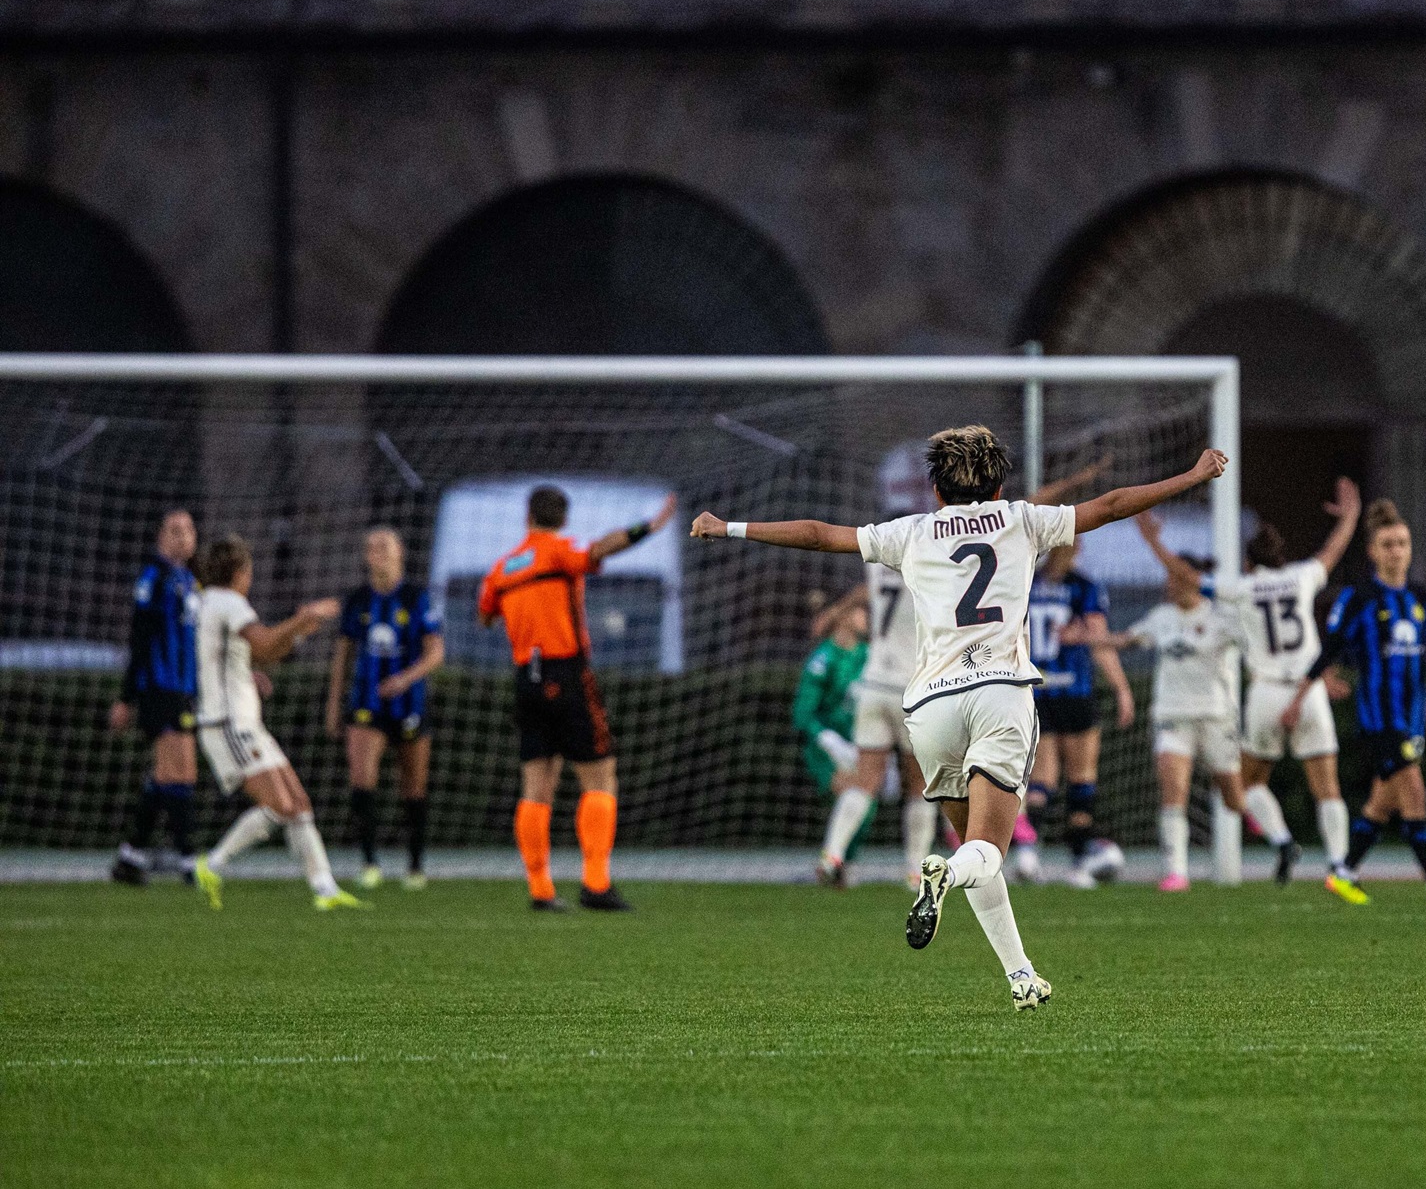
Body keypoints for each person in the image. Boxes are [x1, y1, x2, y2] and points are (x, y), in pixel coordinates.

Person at [690, 426, 1227, 1011]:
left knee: (975, 841)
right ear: (999, 484)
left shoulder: (913, 531)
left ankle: (1021, 976)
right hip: (1000, 693)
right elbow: (1112, 504)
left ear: (936, 491)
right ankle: (943, 872)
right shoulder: (1023, 519)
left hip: (931, 704)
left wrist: (729, 527)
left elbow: (819, 534)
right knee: (985, 850)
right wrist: (1193, 476)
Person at [812, 461, 1102, 891]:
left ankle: (832, 855)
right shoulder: (929, 560)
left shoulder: (877, 565)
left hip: (873, 683)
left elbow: (844, 591)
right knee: (922, 785)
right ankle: (916, 870)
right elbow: (1025, 513)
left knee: (865, 779)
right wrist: (1074, 484)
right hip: (917, 687)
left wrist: (829, 616)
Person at [478, 485, 677, 912]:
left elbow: (484, 614)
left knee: (536, 785)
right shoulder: (559, 551)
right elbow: (600, 550)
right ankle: (596, 884)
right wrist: (651, 526)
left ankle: (541, 890)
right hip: (564, 672)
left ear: (527, 516)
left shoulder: (502, 567)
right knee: (601, 777)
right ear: (563, 518)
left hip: (524, 678)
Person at [1312, 500, 1426, 905]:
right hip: (1379, 719)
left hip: (1411, 717)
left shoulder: (1424, 600)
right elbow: (1331, 647)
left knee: (1383, 799)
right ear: (1373, 551)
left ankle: (1344, 872)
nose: (1396, 550)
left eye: (1402, 543)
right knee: (1413, 789)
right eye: (1388, 544)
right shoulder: (1359, 599)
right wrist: (1311, 685)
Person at [187, 535, 359, 911]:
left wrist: (295, 635)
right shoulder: (228, 602)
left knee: (298, 803)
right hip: (228, 723)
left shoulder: (213, 603)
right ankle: (212, 863)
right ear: (241, 572)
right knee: (281, 805)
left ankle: (325, 889)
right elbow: (264, 644)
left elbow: (262, 653)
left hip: (245, 720)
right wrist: (299, 619)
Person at [1222, 478, 1361, 885]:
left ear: (1250, 563)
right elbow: (1332, 552)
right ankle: (1338, 866)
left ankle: (1282, 841)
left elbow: (1189, 580)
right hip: (1308, 689)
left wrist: (1154, 543)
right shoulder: (1302, 577)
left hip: (1265, 691)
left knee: (1247, 782)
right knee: (1327, 787)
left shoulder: (1241, 587)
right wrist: (1349, 516)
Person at [1102, 511, 1247, 891]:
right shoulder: (1162, 617)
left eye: (1174, 576)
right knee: (1174, 793)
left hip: (1216, 716)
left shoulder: (1221, 617)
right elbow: (1125, 639)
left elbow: (1257, 649)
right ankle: (1176, 871)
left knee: (1233, 799)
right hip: (1172, 716)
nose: (1169, 583)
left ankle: (1270, 831)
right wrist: (1086, 640)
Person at [325, 527, 445, 891]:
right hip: (366, 703)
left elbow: (436, 653)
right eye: (371, 547)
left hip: (409, 702)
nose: (377, 552)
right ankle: (369, 862)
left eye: (384, 546)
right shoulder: (358, 600)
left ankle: (415, 865)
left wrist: (406, 679)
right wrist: (333, 704)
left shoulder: (417, 597)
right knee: (362, 778)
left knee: (413, 786)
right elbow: (342, 657)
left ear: (400, 553)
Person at [1024, 539, 1135, 887]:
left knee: (1041, 779)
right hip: (1075, 690)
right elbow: (1100, 643)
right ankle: (1079, 864)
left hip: (1036, 690)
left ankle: (1027, 856)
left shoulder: (1025, 584)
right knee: (1081, 778)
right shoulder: (1084, 587)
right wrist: (1121, 687)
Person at [109, 509, 202, 887]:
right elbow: (140, 637)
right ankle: (189, 862)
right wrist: (126, 697)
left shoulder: (190, 580)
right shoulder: (154, 577)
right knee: (179, 771)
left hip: (182, 690)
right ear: (161, 537)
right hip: (158, 689)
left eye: (188, 529)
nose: (182, 536)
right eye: (174, 530)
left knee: (169, 775)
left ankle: (130, 857)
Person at [799, 595, 872, 886]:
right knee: (852, 792)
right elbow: (803, 713)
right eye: (861, 612)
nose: (866, 618)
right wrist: (829, 741)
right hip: (825, 747)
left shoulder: (869, 655)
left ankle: (841, 866)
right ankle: (832, 863)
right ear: (844, 617)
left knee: (865, 803)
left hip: (861, 744)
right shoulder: (823, 658)